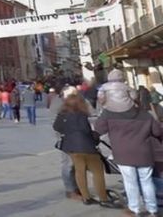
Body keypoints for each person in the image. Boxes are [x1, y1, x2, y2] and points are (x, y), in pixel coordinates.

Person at [95, 87, 163, 216]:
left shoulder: (109, 113)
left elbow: (98, 130)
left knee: (130, 181)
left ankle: (135, 208)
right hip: (144, 153)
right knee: (146, 181)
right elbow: (157, 132)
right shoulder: (144, 114)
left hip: (123, 153)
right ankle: (153, 209)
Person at [53, 93, 114, 207]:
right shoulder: (81, 115)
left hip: (71, 148)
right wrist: (95, 137)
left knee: (79, 171)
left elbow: (56, 127)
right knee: (97, 172)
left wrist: (67, 132)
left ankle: (86, 197)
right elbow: (85, 131)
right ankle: (103, 198)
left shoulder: (62, 114)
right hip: (86, 147)